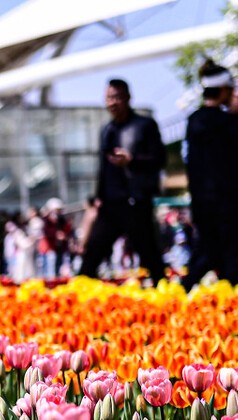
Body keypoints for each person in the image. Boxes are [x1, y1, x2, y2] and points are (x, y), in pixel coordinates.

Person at [181, 61, 238, 290]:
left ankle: (186, 289)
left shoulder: (194, 121)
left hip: (202, 202)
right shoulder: (229, 122)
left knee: (208, 251)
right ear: (223, 91)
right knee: (232, 254)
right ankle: (229, 299)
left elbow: (190, 164)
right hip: (227, 202)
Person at [79, 79, 166, 283]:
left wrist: (132, 160)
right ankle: (79, 298)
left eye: (117, 97)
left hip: (135, 201)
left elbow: (159, 159)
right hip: (110, 204)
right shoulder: (107, 130)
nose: (113, 102)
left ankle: (165, 296)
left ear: (128, 98)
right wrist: (97, 198)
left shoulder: (144, 126)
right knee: (92, 255)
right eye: (109, 98)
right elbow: (103, 167)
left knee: (150, 254)